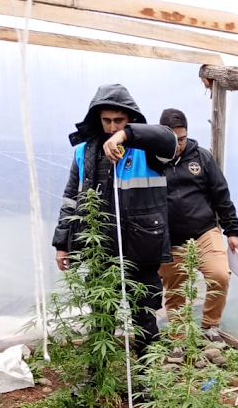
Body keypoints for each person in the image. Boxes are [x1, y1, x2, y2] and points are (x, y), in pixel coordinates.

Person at [52, 84, 177, 358]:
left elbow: (168, 138)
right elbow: (71, 199)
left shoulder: (149, 150)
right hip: (101, 249)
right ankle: (97, 379)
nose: (111, 127)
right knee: (102, 317)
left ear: (131, 118)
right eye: (106, 120)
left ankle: (146, 384)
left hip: (141, 249)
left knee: (144, 317)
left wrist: (125, 136)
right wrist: (63, 243)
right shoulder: (84, 151)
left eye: (118, 121)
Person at [157, 108, 238, 355]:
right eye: (172, 140)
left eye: (182, 139)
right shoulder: (150, 161)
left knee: (220, 275)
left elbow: (221, 195)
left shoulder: (201, 158)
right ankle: (179, 340)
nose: (178, 145)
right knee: (175, 291)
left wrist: (232, 230)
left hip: (204, 231)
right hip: (168, 239)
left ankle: (210, 327)